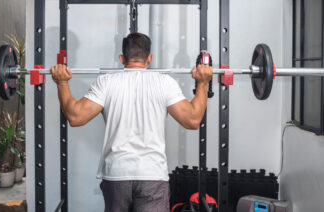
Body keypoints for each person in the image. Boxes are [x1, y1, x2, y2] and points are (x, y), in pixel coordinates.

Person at [51, 32, 213, 212]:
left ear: (121, 58)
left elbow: (75, 116)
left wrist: (62, 82)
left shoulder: (105, 82)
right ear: (149, 58)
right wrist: (203, 83)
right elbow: (192, 120)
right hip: (152, 174)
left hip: (117, 174)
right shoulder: (165, 82)